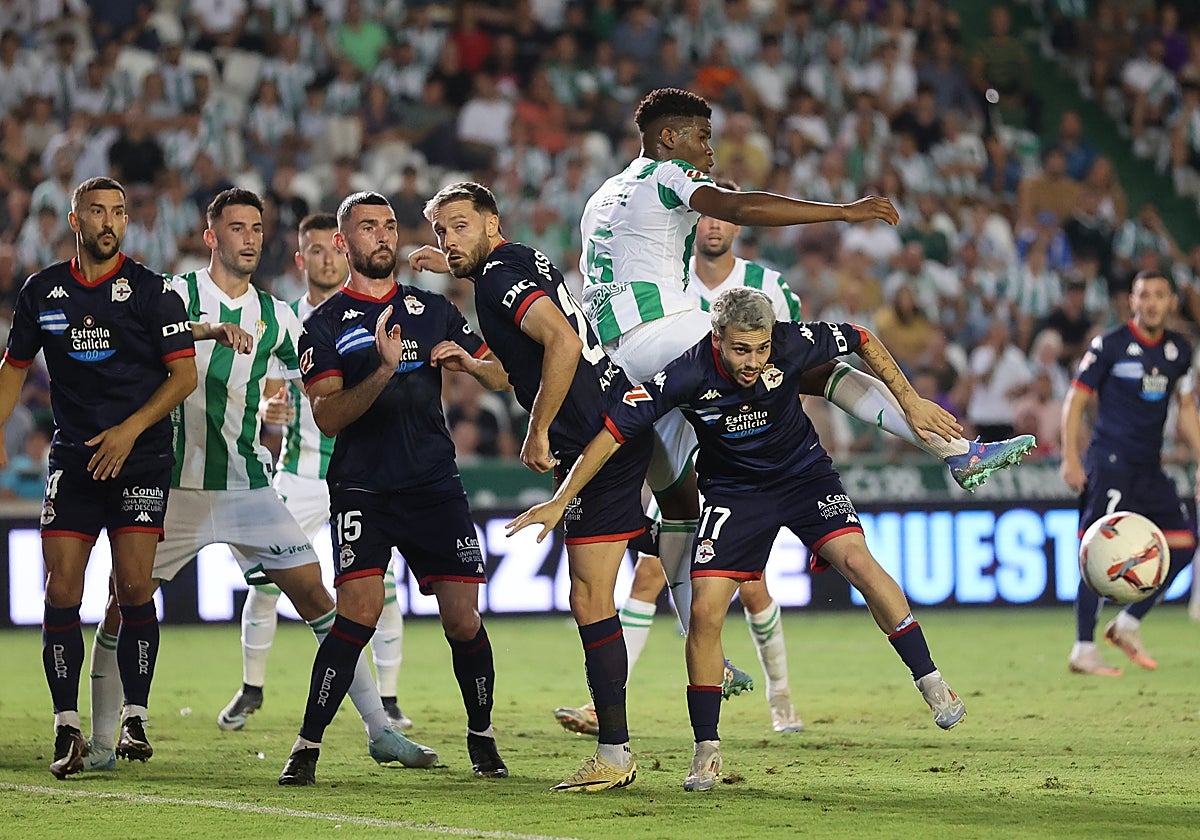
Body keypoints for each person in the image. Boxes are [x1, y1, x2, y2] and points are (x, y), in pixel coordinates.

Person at [577, 88, 1032, 699]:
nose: (709, 151)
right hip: (670, 333)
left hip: (621, 359)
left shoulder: (602, 196)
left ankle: (709, 652)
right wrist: (841, 212)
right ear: (669, 139)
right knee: (807, 368)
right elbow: (739, 206)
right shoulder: (669, 173)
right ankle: (955, 451)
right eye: (702, 138)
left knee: (678, 508)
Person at [508, 287, 967, 792]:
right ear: (717, 338)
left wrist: (911, 401)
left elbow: (860, 337)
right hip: (735, 494)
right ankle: (707, 748)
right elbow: (615, 431)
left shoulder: (791, 342)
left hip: (803, 476)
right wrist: (561, 499)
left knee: (857, 562)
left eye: (762, 349)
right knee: (704, 610)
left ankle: (931, 682)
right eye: (741, 350)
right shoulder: (683, 375)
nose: (753, 362)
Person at [86, 189, 435, 773]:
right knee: (121, 603)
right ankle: (101, 740)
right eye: (237, 228)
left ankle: (380, 732)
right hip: (173, 487)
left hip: (250, 486)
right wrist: (208, 331)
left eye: (256, 228)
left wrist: (332, 390)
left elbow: (306, 382)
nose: (249, 238)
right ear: (211, 236)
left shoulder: (279, 317)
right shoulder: (174, 295)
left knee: (319, 600)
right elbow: (135, 344)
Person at [411, 181, 654, 791]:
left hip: (599, 435)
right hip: (619, 418)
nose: (448, 239)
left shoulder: (497, 275)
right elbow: (512, 370)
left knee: (591, 598)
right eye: (441, 230)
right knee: (639, 561)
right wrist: (472, 364)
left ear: (492, 221)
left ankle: (615, 754)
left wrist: (538, 431)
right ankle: (706, 586)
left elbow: (564, 343)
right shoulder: (512, 265)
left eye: (459, 226)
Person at [280, 191, 511, 786]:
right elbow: (328, 417)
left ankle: (482, 736)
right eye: (367, 228)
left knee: (463, 620)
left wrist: (469, 360)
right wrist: (383, 368)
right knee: (357, 614)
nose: (382, 236)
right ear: (342, 242)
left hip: (434, 484)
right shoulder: (322, 326)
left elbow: (502, 374)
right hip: (364, 490)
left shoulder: (431, 308)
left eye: (388, 226)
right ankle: (307, 747)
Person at [0, 176, 199, 779]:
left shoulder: (153, 292)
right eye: (97, 212)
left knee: (133, 588)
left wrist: (128, 430)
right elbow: (13, 369)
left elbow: (183, 377)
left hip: (138, 458)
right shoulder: (43, 291)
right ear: (75, 218)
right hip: (74, 459)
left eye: (118, 212)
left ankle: (135, 713)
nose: (110, 221)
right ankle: (66, 725)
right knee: (61, 589)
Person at [216, 212, 412, 733]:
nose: (326, 258)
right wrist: (264, 415)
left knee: (384, 588)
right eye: (315, 250)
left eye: (333, 248)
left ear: (346, 252)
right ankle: (252, 687)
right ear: (302, 259)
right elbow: (260, 387)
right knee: (266, 585)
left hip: (361, 475)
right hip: (299, 477)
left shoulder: (371, 314)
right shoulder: (283, 321)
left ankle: (388, 700)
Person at [1060, 271, 1200, 675]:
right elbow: (1075, 399)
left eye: (1160, 295)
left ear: (1172, 301)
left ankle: (1128, 622)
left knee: (1184, 545)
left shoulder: (1179, 350)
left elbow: (1187, 407)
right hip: (1111, 463)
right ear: (1132, 302)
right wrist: (1071, 457)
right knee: (1094, 550)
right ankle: (1083, 647)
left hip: (1148, 466)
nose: (1152, 302)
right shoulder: (1111, 344)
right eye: (1144, 295)